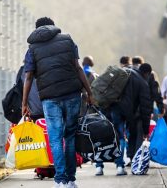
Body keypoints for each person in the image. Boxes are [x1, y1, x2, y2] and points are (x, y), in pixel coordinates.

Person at [22, 17, 93, 188]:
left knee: (55, 139)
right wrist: (89, 92)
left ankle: (60, 180)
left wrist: (24, 103)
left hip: (50, 98)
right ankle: (71, 180)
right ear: (53, 27)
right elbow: (77, 68)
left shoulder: (33, 49)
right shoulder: (68, 40)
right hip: (72, 94)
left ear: (37, 30)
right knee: (69, 137)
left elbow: (29, 76)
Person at [95, 69, 152, 176]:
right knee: (120, 136)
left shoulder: (120, 73)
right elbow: (145, 108)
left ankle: (98, 167)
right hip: (120, 111)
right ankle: (120, 166)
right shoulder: (141, 82)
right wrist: (145, 129)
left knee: (102, 137)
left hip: (105, 105)